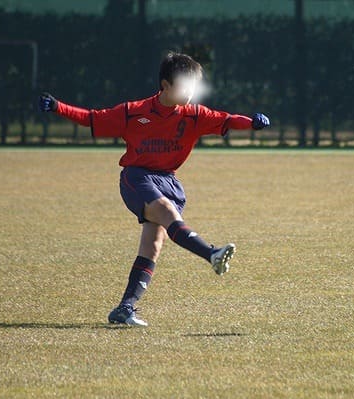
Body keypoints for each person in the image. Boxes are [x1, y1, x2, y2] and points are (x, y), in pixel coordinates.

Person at [39, 52, 270, 326]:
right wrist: (57, 107)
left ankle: (125, 308)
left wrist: (252, 122)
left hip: (168, 181)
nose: (191, 92)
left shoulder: (194, 115)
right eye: (185, 85)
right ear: (165, 86)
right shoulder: (133, 112)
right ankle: (211, 254)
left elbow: (228, 120)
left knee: (153, 245)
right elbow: (91, 118)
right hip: (137, 178)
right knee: (166, 211)